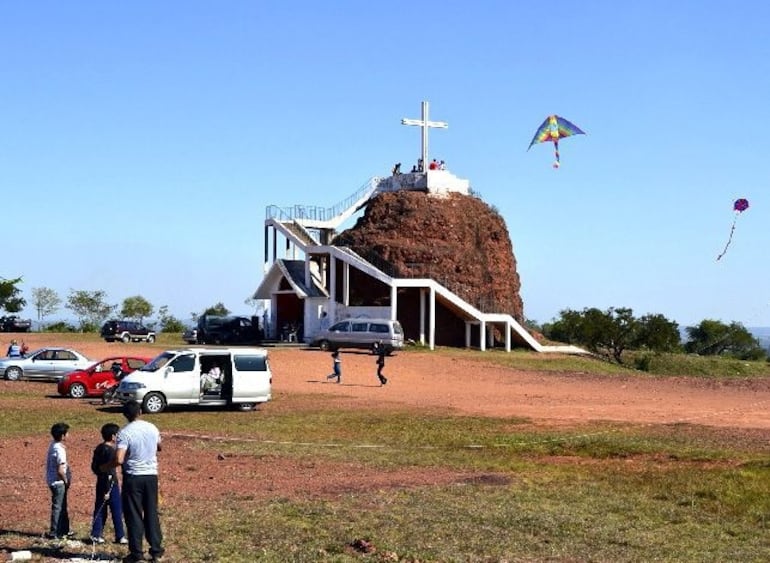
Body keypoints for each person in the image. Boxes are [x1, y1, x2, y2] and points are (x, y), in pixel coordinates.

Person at [113, 400, 164, 563]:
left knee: (133, 514)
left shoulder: (124, 433)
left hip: (133, 476)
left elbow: (119, 458)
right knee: (151, 512)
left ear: (125, 415)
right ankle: (156, 551)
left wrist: (104, 466)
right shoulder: (152, 427)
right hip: (151, 476)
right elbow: (159, 447)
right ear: (140, 412)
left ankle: (136, 553)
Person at [90, 423, 127, 545]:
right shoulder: (110, 452)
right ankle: (120, 535)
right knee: (116, 509)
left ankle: (96, 534)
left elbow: (94, 467)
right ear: (113, 436)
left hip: (100, 482)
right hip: (110, 484)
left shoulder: (99, 448)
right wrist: (108, 489)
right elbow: (110, 471)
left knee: (100, 509)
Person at [45, 422, 73, 540]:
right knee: (58, 507)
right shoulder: (60, 450)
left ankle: (65, 530)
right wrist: (66, 480)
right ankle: (55, 531)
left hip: (53, 480)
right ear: (62, 436)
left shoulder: (54, 445)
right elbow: (60, 470)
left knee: (62, 505)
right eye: (67, 433)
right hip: (58, 482)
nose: (68, 435)